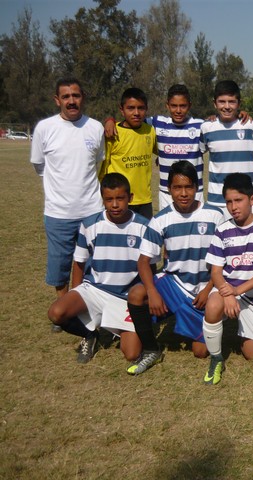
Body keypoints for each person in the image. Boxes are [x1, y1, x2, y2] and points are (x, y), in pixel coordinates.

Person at [126, 161, 225, 375]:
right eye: (177, 187)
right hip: (173, 284)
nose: (183, 193)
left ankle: (193, 321)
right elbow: (144, 261)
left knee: (200, 352)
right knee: (136, 295)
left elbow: (224, 259)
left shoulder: (215, 216)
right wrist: (152, 291)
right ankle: (152, 349)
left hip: (205, 289)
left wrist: (209, 289)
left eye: (188, 187)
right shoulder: (161, 219)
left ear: (197, 187)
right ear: (169, 189)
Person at [47, 173, 148, 363]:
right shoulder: (89, 224)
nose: (115, 204)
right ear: (102, 200)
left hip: (125, 298)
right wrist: (76, 292)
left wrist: (143, 303)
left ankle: (115, 325)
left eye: (120, 198)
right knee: (56, 312)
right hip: (94, 290)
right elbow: (79, 263)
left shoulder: (144, 227)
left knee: (132, 354)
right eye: (109, 199)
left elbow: (149, 270)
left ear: (131, 198)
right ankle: (90, 333)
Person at [31, 77, 105, 323]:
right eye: (66, 96)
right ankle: (65, 311)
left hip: (91, 210)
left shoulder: (95, 128)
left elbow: (97, 162)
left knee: (92, 263)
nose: (71, 101)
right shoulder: (44, 128)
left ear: (82, 97)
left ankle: (90, 309)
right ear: (57, 100)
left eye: (76, 95)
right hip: (58, 212)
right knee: (60, 265)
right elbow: (39, 165)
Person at [203, 173, 253, 385]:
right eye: (229, 202)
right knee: (213, 305)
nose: (233, 207)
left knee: (252, 354)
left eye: (238, 200)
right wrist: (226, 292)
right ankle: (216, 358)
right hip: (227, 290)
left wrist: (237, 292)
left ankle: (244, 327)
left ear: (252, 199)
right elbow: (215, 272)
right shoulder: (222, 230)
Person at [105, 84, 207, 210]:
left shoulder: (201, 126)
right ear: (167, 105)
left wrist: (238, 115)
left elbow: (220, 127)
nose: (178, 110)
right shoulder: (157, 123)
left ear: (189, 105)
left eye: (183, 106)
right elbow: (132, 119)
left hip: (194, 191)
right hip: (167, 193)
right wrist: (110, 120)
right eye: (174, 106)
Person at [200, 80, 253, 216]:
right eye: (222, 101)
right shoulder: (206, 128)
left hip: (244, 198)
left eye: (232, 101)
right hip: (217, 200)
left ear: (239, 103)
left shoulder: (250, 126)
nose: (227, 106)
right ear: (214, 103)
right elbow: (200, 150)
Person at [99, 87, 157, 219]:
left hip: (144, 200)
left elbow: (163, 153)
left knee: (144, 238)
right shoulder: (112, 133)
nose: (136, 113)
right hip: (119, 200)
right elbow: (102, 171)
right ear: (122, 110)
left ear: (146, 109)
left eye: (141, 108)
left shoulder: (150, 131)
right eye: (130, 108)